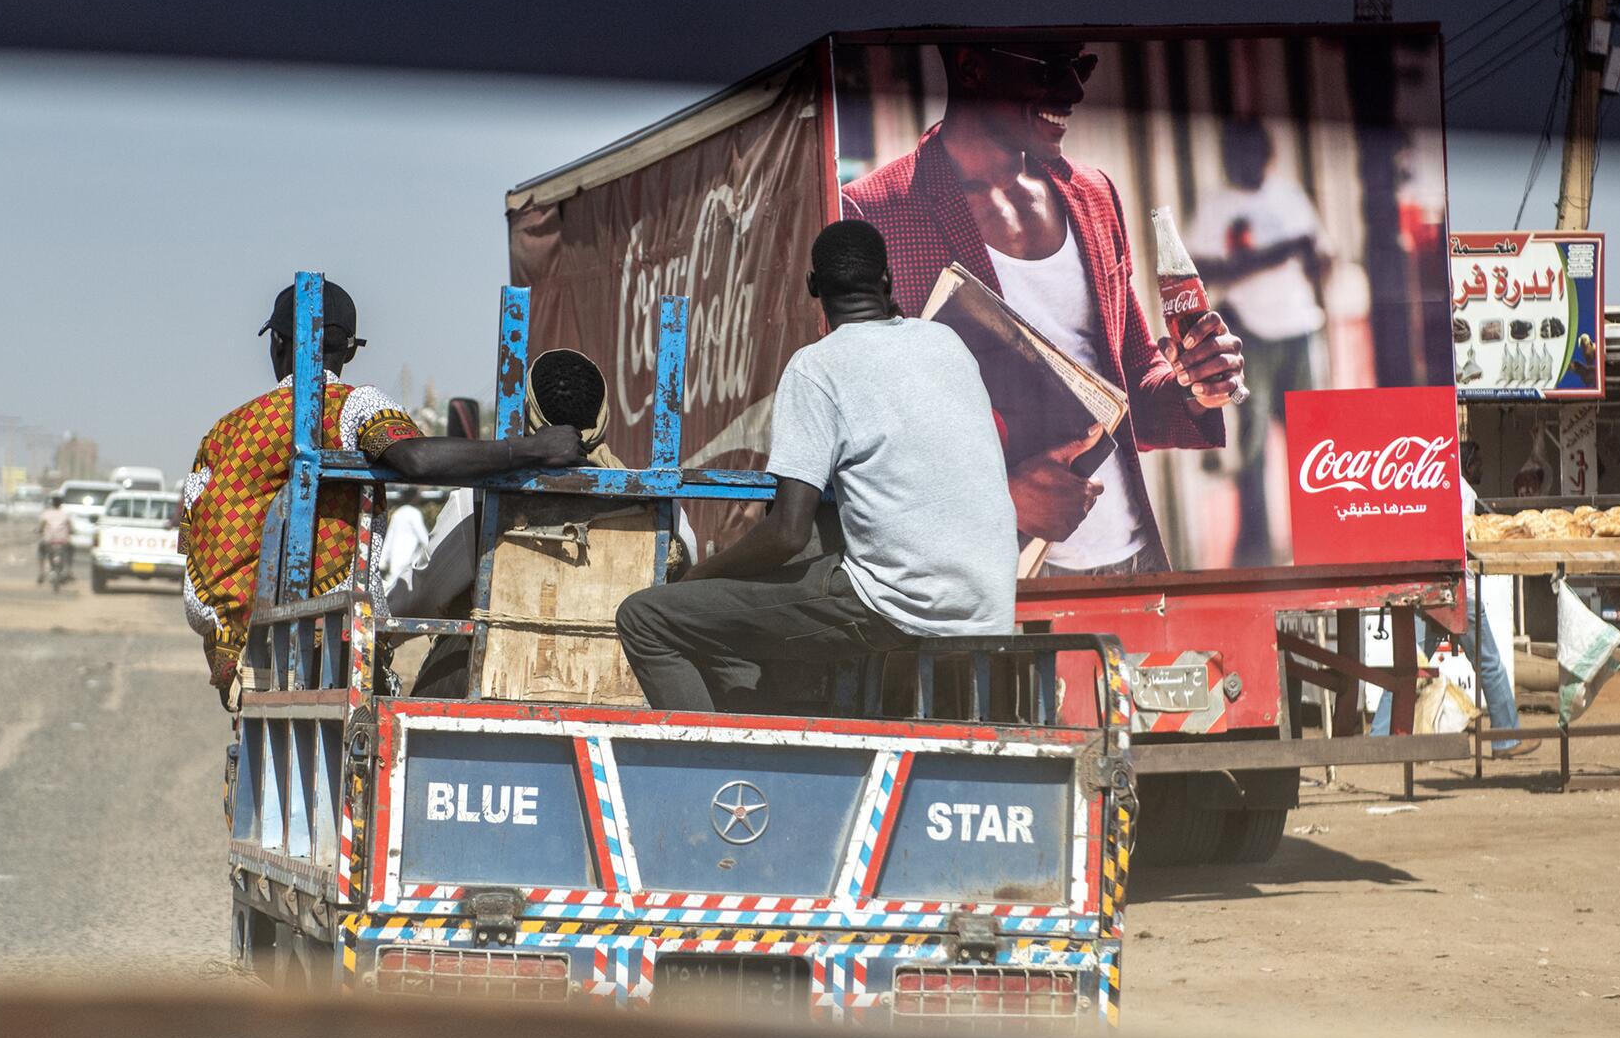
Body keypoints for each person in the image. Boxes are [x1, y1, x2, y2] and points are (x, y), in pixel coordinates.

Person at [840, 43, 1243, 576]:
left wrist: (1195, 388)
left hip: (1135, 559)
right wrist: (997, 496)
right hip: (999, 578)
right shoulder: (874, 213)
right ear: (971, 65)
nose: (1074, 91)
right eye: (1053, 67)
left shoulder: (1093, 193)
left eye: (1083, 66)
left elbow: (1132, 382)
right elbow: (867, 437)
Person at [615, 220, 1017, 712]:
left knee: (647, 617)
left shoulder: (816, 366)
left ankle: (707, 763)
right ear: (887, 279)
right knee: (742, 615)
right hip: (988, 604)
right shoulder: (947, 344)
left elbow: (786, 531)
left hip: (897, 606)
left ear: (813, 288)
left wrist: (699, 581)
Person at [180, 278, 581, 709]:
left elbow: (194, 545)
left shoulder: (221, 432)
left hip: (239, 658)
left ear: (277, 344)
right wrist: (531, 449)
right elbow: (417, 460)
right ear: (350, 351)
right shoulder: (351, 405)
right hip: (328, 651)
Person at [388, 347, 694, 698]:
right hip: (618, 693)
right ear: (602, 413)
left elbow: (420, 595)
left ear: (527, 411)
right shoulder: (658, 506)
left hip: (491, 692)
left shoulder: (478, 500)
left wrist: (381, 632)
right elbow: (681, 588)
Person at [1183, 117, 1328, 567]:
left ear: (1266, 153)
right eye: (1232, 153)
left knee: (1313, 445)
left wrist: (1313, 269)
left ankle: (1320, 542)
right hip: (1249, 335)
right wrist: (1279, 254)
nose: (1240, 161)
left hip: (1300, 330)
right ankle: (1256, 552)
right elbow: (1204, 273)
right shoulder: (1215, 206)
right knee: (1252, 450)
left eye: (1249, 152)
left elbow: (1321, 258)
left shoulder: (1289, 196)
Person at [1372, 439, 1537, 756]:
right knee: (1489, 664)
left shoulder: (1426, 485)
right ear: (1467, 461)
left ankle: (1380, 737)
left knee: (1407, 668)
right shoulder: (1463, 491)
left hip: (1423, 590)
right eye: (1478, 462)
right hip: (1458, 592)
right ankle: (1507, 737)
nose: (1482, 469)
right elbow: (1459, 543)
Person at [36, 495, 72, 584]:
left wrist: (39, 531)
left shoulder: (46, 514)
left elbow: (41, 527)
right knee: (71, 550)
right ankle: (69, 571)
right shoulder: (65, 514)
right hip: (63, 541)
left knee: (41, 551)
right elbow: (71, 527)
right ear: (61, 504)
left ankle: (41, 573)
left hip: (49, 541)